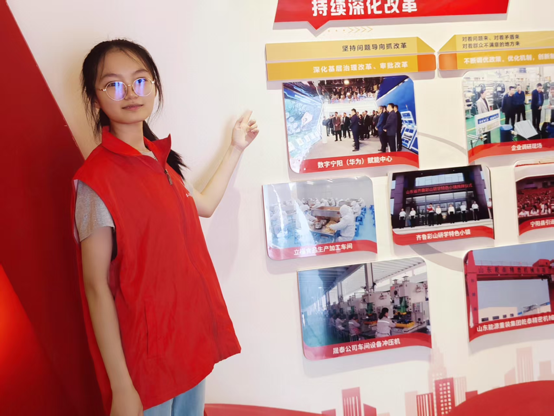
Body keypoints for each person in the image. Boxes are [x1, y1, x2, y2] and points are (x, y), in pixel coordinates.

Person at [74, 40, 258, 416]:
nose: (130, 93)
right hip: (144, 361)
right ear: (95, 99)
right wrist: (121, 387)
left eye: (140, 81)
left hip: (187, 343)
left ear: (155, 87)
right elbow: (95, 287)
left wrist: (236, 148)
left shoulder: (162, 162)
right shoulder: (95, 180)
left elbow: (204, 204)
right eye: (113, 84)